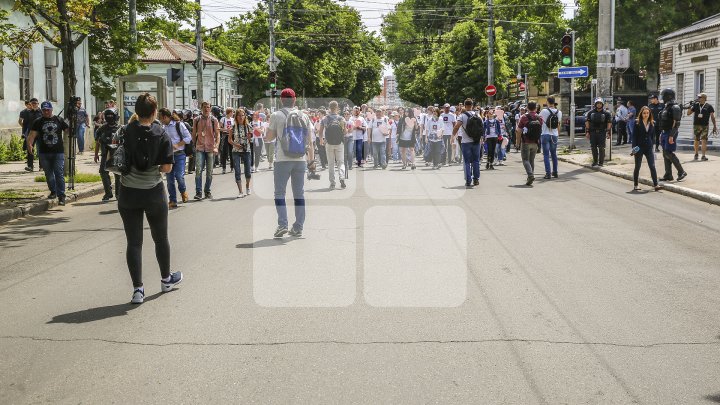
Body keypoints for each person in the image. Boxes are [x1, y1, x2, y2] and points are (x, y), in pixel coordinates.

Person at [115, 93, 181, 304]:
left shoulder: (125, 131)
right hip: (153, 192)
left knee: (134, 242)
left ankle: (138, 290)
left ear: (136, 110)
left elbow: (116, 155)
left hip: (128, 193)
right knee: (160, 238)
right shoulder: (161, 134)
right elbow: (167, 168)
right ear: (154, 113)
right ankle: (166, 280)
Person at [266, 88, 315, 238]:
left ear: (281, 100)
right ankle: (298, 227)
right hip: (300, 160)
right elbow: (310, 141)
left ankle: (282, 224)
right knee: (299, 194)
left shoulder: (276, 115)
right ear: (295, 100)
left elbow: (269, 137)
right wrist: (311, 161)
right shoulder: (304, 116)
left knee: (279, 193)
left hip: (282, 159)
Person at [26, 101, 69, 205]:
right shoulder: (38, 121)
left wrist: (71, 124)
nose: (46, 112)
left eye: (47, 110)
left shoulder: (59, 120)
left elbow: (68, 130)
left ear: (51, 109)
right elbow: (32, 135)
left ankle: (61, 196)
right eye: (44, 110)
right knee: (49, 174)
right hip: (44, 152)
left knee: (58, 173)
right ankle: (53, 191)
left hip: (58, 152)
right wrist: (29, 145)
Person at [159, 108, 192, 208]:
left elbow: (188, 137)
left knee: (179, 175)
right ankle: (173, 200)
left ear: (165, 117)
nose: (160, 120)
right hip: (168, 156)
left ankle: (183, 191)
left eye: (160, 117)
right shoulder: (162, 127)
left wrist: (177, 145)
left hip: (179, 154)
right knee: (169, 180)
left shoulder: (178, 124)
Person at [192, 101, 220, 200]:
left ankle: (207, 191)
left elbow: (217, 135)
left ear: (210, 108)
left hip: (210, 148)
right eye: (204, 107)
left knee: (209, 171)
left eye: (208, 107)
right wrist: (194, 146)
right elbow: (194, 133)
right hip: (199, 147)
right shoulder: (196, 119)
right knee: (198, 170)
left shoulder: (214, 120)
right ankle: (198, 192)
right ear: (201, 108)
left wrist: (216, 146)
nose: (206, 109)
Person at [659, 88, 687, 182]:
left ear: (668, 96)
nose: (662, 97)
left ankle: (681, 171)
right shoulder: (666, 106)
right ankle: (668, 175)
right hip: (664, 132)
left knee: (668, 152)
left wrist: (671, 135)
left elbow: (677, 123)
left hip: (671, 132)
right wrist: (661, 133)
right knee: (665, 153)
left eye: (663, 95)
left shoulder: (675, 107)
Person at [94, 108, 121, 202]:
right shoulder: (102, 128)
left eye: (111, 115)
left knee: (118, 174)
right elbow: (98, 142)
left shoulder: (120, 128)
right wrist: (96, 154)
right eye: (108, 116)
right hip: (105, 155)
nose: (110, 117)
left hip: (117, 155)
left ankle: (118, 194)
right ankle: (108, 193)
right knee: (103, 172)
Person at [319, 100, 347, 190]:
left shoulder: (325, 119)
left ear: (329, 108)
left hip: (329, 143)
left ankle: (332, 183)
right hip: (339, 143)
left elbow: (320, 131)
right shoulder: (341, 118)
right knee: (341, 162)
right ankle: (342, 177)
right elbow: (345, 132)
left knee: (331, 163)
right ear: (337, 107)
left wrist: (321, 140)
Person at [631, 106, 660, 191]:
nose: (646, 115)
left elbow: (653, 137)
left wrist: (654, 147)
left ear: (649, 113)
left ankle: (656, 185)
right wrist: (634, 148)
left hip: (649, 147)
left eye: (647, 113)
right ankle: (636, 185)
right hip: (639, 147)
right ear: (641, 113)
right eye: (644, 113)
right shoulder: (637, 122)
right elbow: (634, 136)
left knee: (652, 166)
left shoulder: (652, 123)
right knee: (638, 166)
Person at [453, 98, 481, 187]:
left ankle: (468, 180)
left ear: (465, 106)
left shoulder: (462, 116)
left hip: (466, 142)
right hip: (476, 141)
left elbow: (457, 126)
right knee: (476, 161)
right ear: (472, 106)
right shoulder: (478, 115)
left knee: (466, 162)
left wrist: (453, 136)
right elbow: (482, 128)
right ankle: (476, 179)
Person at [516, 101, 543, 186]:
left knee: (525, 160)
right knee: (531, 160)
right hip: (535, 142)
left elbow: (519, 130)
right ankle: (530, 177)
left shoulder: (524, 117)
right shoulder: (539, 118)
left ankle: (530, 175)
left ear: (527, 108)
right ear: (536, 108)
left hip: (526, 142)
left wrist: (517, 142)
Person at [687, 92, 717, 161]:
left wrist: (714, 126)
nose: (698, 98)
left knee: (704, 140)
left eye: (699, 97)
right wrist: (690, 106)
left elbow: (712, 117)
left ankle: (703, 156)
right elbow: (688, 113)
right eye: (698, 97)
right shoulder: (695, 105)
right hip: (696, 125)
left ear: (704, 98)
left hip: (705, 126)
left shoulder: (709, 106)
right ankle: (696, 154)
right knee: (696, 140)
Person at [230, 108, 253, 197]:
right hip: (236, 151)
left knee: (248, 171)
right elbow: (229, 140)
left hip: (246, 150)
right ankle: (240, 191)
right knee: (237, 171)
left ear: (245, 116)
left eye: (242, 115)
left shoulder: (248, 126)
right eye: (239, 115)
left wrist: (250, 138)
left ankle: (247, 187)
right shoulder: (233, 126)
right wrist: (235, 144)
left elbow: (252, 138)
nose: (240, 117)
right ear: (236, 117)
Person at [539, 96, 562, 179]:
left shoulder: (544, 111)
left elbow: (539, 120)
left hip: (545, 134)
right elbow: (558, 124)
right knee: (554, 155)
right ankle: (555, 172)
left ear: (547, 102)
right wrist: (558, 135)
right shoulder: (559, 112)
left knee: (546, 155)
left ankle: (548, 173)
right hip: (554, 135)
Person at [585, 98, 612, 167]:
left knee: (601, 147)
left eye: (600, 103)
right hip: (593, 132)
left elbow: (609, 123)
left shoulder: (606, 113)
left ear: (602, 104)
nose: (599, 105)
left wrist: (608, 132)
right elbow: (587, 122)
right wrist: (587, 132)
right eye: (597, 103)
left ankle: (601, 162)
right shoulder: (590, 113)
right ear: (595, 104)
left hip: (602, 132)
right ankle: (595, 161)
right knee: (593, 147)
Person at [19, 98, 41, 172]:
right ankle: (30, 166)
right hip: (31, 134)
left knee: (41, 149)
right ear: (30, 104)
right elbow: (24, 123)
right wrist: (25, 132)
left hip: (40, 133)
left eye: (35, 103)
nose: (34, 105)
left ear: (38, 104)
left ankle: (42, 166)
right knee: (30, 149)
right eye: (32, 103)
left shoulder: (41, 111)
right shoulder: (27, 113)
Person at [219, 107, 234, 174]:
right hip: (225, 136)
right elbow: (219, 128)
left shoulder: (233, 120)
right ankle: (224, 168)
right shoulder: (223, 119)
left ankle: (232, 167)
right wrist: (226, 130)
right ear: (229, 113)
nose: (233, 114)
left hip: (231, 136)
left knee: (232, 152)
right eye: (232, 112)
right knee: (224, 152)